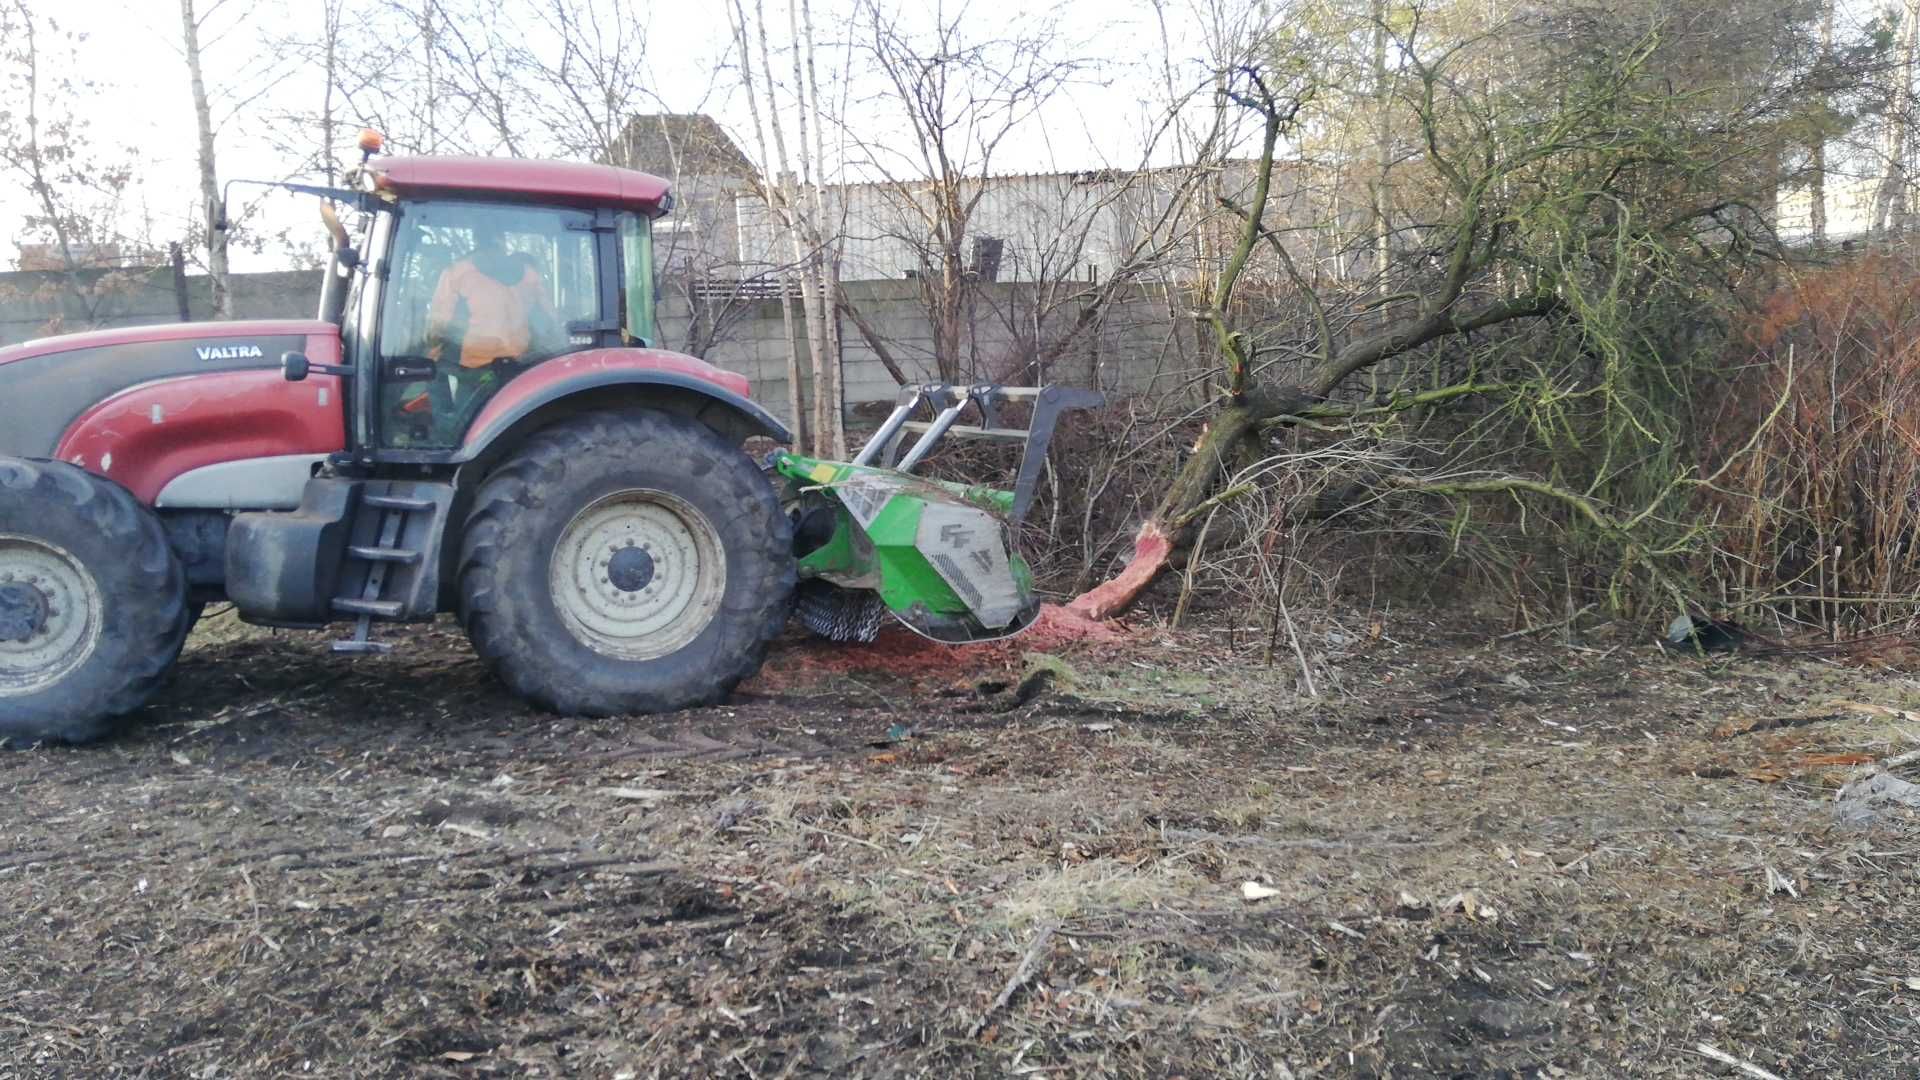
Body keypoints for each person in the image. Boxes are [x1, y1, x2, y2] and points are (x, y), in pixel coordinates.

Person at [419, 224, 560, 439]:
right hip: (518, 361)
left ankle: (446, 435)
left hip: (474, 363)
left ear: (476, 240)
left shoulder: (457, 273)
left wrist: (430, 345)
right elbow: (549, 317)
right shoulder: (530, 275)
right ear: (501, 241)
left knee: (431, 373)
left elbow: (439, 324)